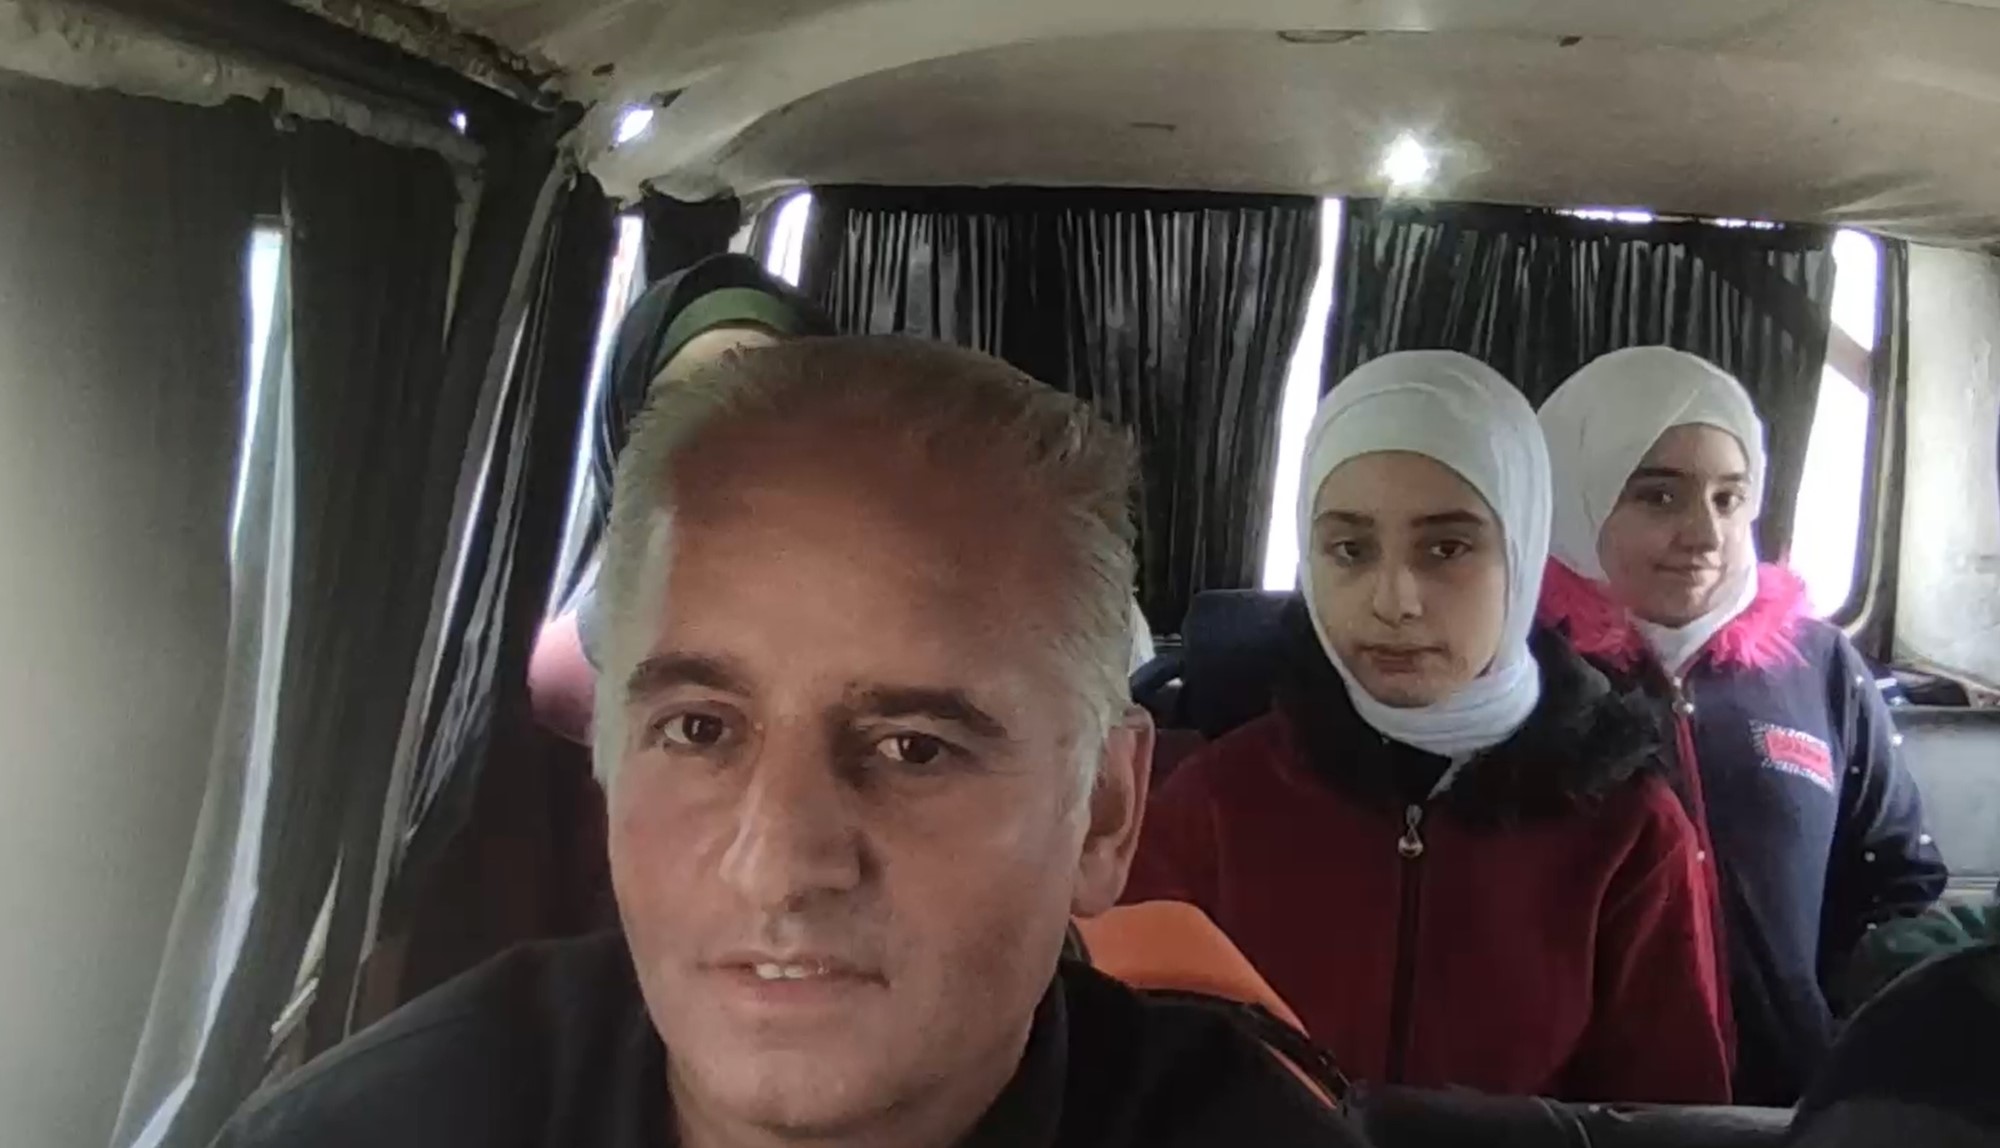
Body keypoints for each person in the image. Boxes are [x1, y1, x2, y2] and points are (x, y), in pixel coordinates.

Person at [214, 337, 1370, 1148]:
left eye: (914, 746)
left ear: (1104, 812)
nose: (776, 863)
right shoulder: (368, 1129)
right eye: (700, 729)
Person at [1124, 351, 1730, 1103]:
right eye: (1350, 549)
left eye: (1446, 548)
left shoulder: (1628, 831)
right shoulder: (1213, 804)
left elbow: (1671, 1119)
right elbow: (1139, 1085)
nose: (1394, 600)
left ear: (1521, 552)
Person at [1535, 345, 1948, 1106]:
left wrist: (1848, 1033)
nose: (1705, 534)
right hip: (1583, 1119)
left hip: (1794, 1107)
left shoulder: (1817, 663)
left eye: (1730, 498)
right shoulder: (1520, 674)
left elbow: (1896, 874)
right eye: (1659, 497)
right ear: (1573, 493)